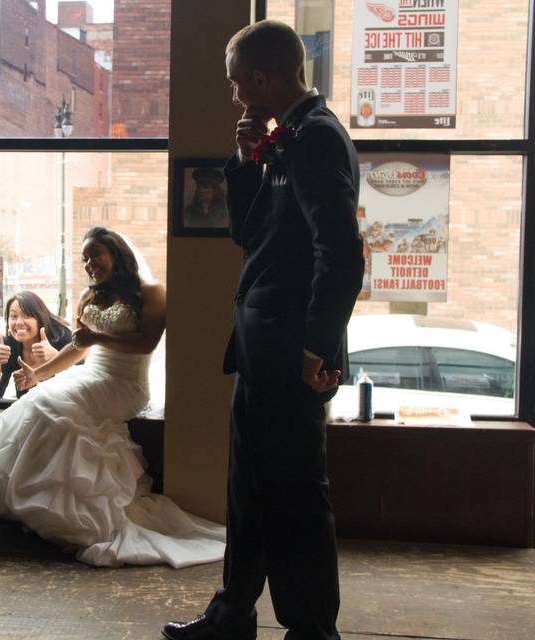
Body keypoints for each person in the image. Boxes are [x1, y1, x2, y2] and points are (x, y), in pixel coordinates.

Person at [163, 20, 364, 640]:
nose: (234, 99)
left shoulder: (316, 139)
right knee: (248, 490)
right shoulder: (286, 139)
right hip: (259, 351)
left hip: (289, 353)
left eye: (235, 87)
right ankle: (232, 615)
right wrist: (248, 160)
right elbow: (252, 237)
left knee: (297, 500)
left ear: (260, 78)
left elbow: (342, 255)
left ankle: (311, 630)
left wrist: (316, 349)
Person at [0, 226, 225, 568]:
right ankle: (45, 510)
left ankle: (72, 516)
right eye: (85, 258)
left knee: (52, 406)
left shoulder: (152, 291)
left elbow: (145, 343)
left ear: (117, 253)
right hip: (91, 375)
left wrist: (97, 339)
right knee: (37, 402)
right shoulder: (90, 296)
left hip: (124, 384)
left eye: (95, 254)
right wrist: (41, 372)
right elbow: (77, 346)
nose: (89, 264)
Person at [0, 291, 72, 399]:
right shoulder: (10, 345)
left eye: (26, 315)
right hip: (28, 411)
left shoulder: (62, 337)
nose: (19, 322)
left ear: (40, 318)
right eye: (13, 316)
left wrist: (57, 358)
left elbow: (82, 384)